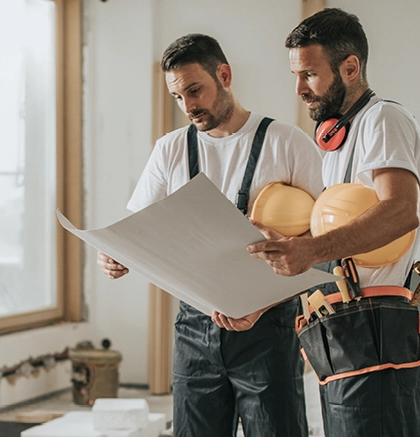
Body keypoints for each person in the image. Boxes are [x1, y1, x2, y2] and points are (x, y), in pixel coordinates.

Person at [99, 33, 323, 437]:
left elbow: (323, 244)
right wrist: (115, 255)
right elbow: (138, 231)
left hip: (268, 329)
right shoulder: (170, 149)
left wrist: (265, 294)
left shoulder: (287, 143)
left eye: (194, 90)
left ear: (224, 74)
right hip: (193, 330)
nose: (188, 107)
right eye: (178, 97)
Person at [247, 8, 420, 436]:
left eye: (309, 75)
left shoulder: (383, 120)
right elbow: (337, 234)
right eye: (296, 75)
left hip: (375, 324)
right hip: (342, 325)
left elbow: (402, 211)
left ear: (350, 67)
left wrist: (310, 249)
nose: (299, 89)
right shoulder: (338, 141)